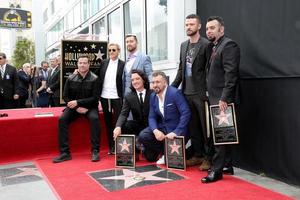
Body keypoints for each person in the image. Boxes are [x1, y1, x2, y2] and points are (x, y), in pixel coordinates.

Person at [201, 16, 240, 183]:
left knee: (220, 137)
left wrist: (225, 98)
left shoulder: (229, 45)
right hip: (215, 97)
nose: (209, 30)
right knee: (224, 135)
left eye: (212, 28)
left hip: (223, 99)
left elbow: (231, 75)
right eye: (207, 28)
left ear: (221, 29)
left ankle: (216, 171)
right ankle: (227, 165)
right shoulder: (214, 46)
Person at [171, 14, 211, 170]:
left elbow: (209, 71)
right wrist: (172, 88)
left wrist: (208, 90)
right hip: (186, 93)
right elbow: (181, 69)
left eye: (192, 24)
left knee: (205, 128)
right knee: (193, 127)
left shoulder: (206, 45)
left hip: (201, 94)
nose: (188, 27)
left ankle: (209, 158)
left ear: (199, 26)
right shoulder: (183, 45)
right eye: (186, 24)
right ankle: (198, 155)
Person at [53, 55, 101, 163]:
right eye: (80, 63)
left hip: (90, 107)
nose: (82, 65)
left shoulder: (95, 79)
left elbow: (95, 99)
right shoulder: (70, 78)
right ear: (77, 64)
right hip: (74, 108)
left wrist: (79, 103)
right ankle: (65, 153)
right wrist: (77, 107)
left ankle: (95, 151)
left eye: (85, 63)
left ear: (89, 65)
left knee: (95, 119)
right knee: (62, 119)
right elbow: (65, 97)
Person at [139, 71, 191, 164]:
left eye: (158, 82)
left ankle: (170, 154)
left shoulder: (175, 93)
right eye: (153, 82)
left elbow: (186, 113)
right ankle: (164, 153)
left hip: (177, 129)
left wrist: (176, 132)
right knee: (143, 135)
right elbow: (151, 117)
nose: (155, 85)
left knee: (173, 161)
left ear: (165, 82)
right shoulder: (153, 96)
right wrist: (155, 130)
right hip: (163, 128)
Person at [113, 69, 152, 159]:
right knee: (125, 125)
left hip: (151, 127)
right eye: (133, 80)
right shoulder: (129, 96)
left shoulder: (152, 94)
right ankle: (134, 152)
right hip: (138, 125)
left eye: (137, 79)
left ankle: (146, 148)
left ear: (143, 79)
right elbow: (123, 114)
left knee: (150, 158)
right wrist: (118, 126)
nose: (135, 82)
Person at [98, 43, 125, 155]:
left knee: (118, 123)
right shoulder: (104, 63)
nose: (111, 52)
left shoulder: (123, 64)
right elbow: (97, 77)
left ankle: (120, 146)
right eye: (109, 50)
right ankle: (111, 147)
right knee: (108, 123)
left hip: (117, 97)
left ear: (118, 51)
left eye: (113, 50)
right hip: (105, 97)